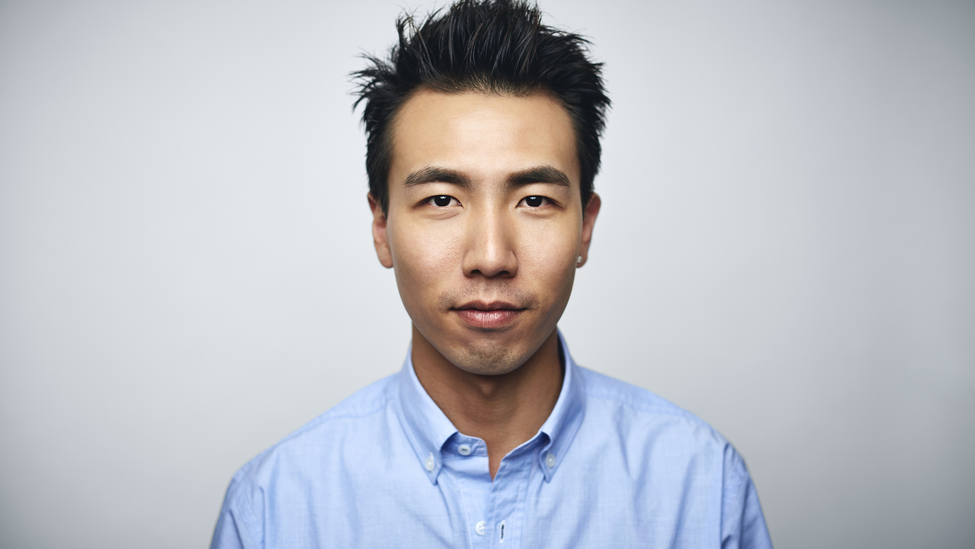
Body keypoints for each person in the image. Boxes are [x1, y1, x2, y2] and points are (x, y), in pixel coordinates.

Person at [210, 0, 773, 547]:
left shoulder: (702, 485)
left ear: (584, 228)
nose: (491, 256)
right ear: (381, 226)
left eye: (533, 200)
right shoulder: (274, 505)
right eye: (440, 200)